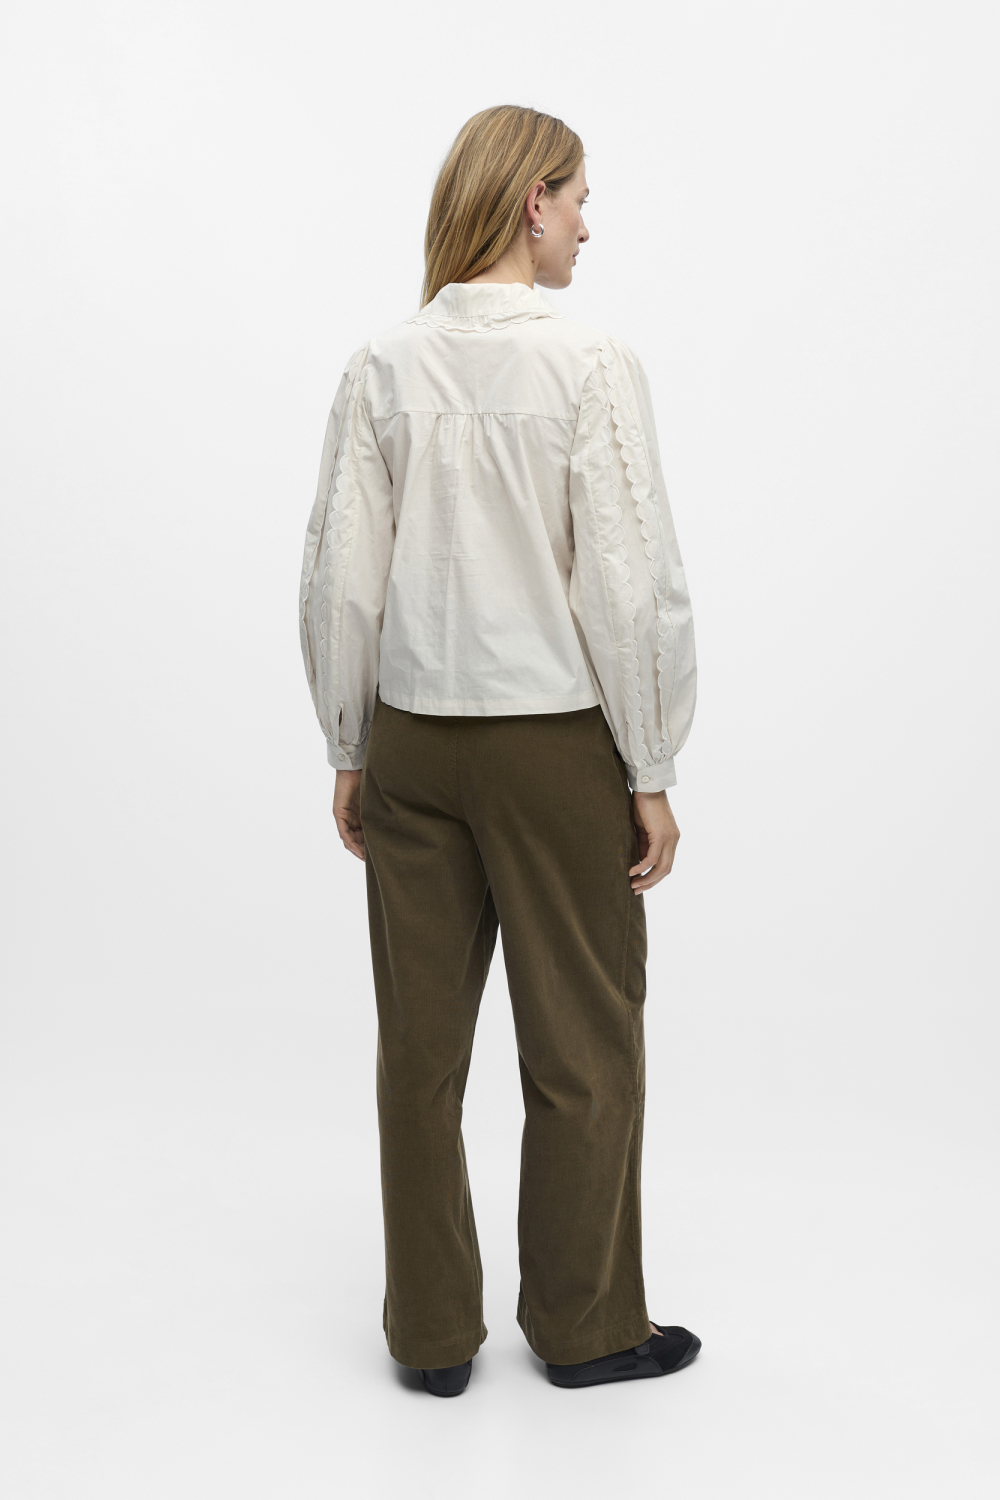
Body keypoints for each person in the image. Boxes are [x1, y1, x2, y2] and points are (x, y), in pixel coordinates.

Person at [299, 105, 699, 1396]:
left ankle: (430, 1341)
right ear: (532, 202)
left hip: (413, 742)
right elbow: (627, 583)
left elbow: (341, 578)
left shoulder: (382, 364)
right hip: (551, 747)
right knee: (581, 1047)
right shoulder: (589, 363)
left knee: (417, 1057)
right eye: (579, 197)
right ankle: (583, 1328)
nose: (588, 223)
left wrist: (350, 742)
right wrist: (650, 766)